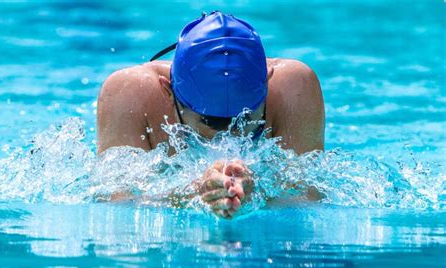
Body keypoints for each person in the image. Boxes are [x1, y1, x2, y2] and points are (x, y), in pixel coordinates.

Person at [97, 12, 325, 218]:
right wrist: (193, 194)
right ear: (168, 91)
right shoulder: (130, 94)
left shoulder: (294, 88)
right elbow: (116, 206)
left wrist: (258, 192)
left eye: (243, 119)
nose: (227, 136)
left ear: (268, 82)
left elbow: (308, 202)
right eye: (208, 122)